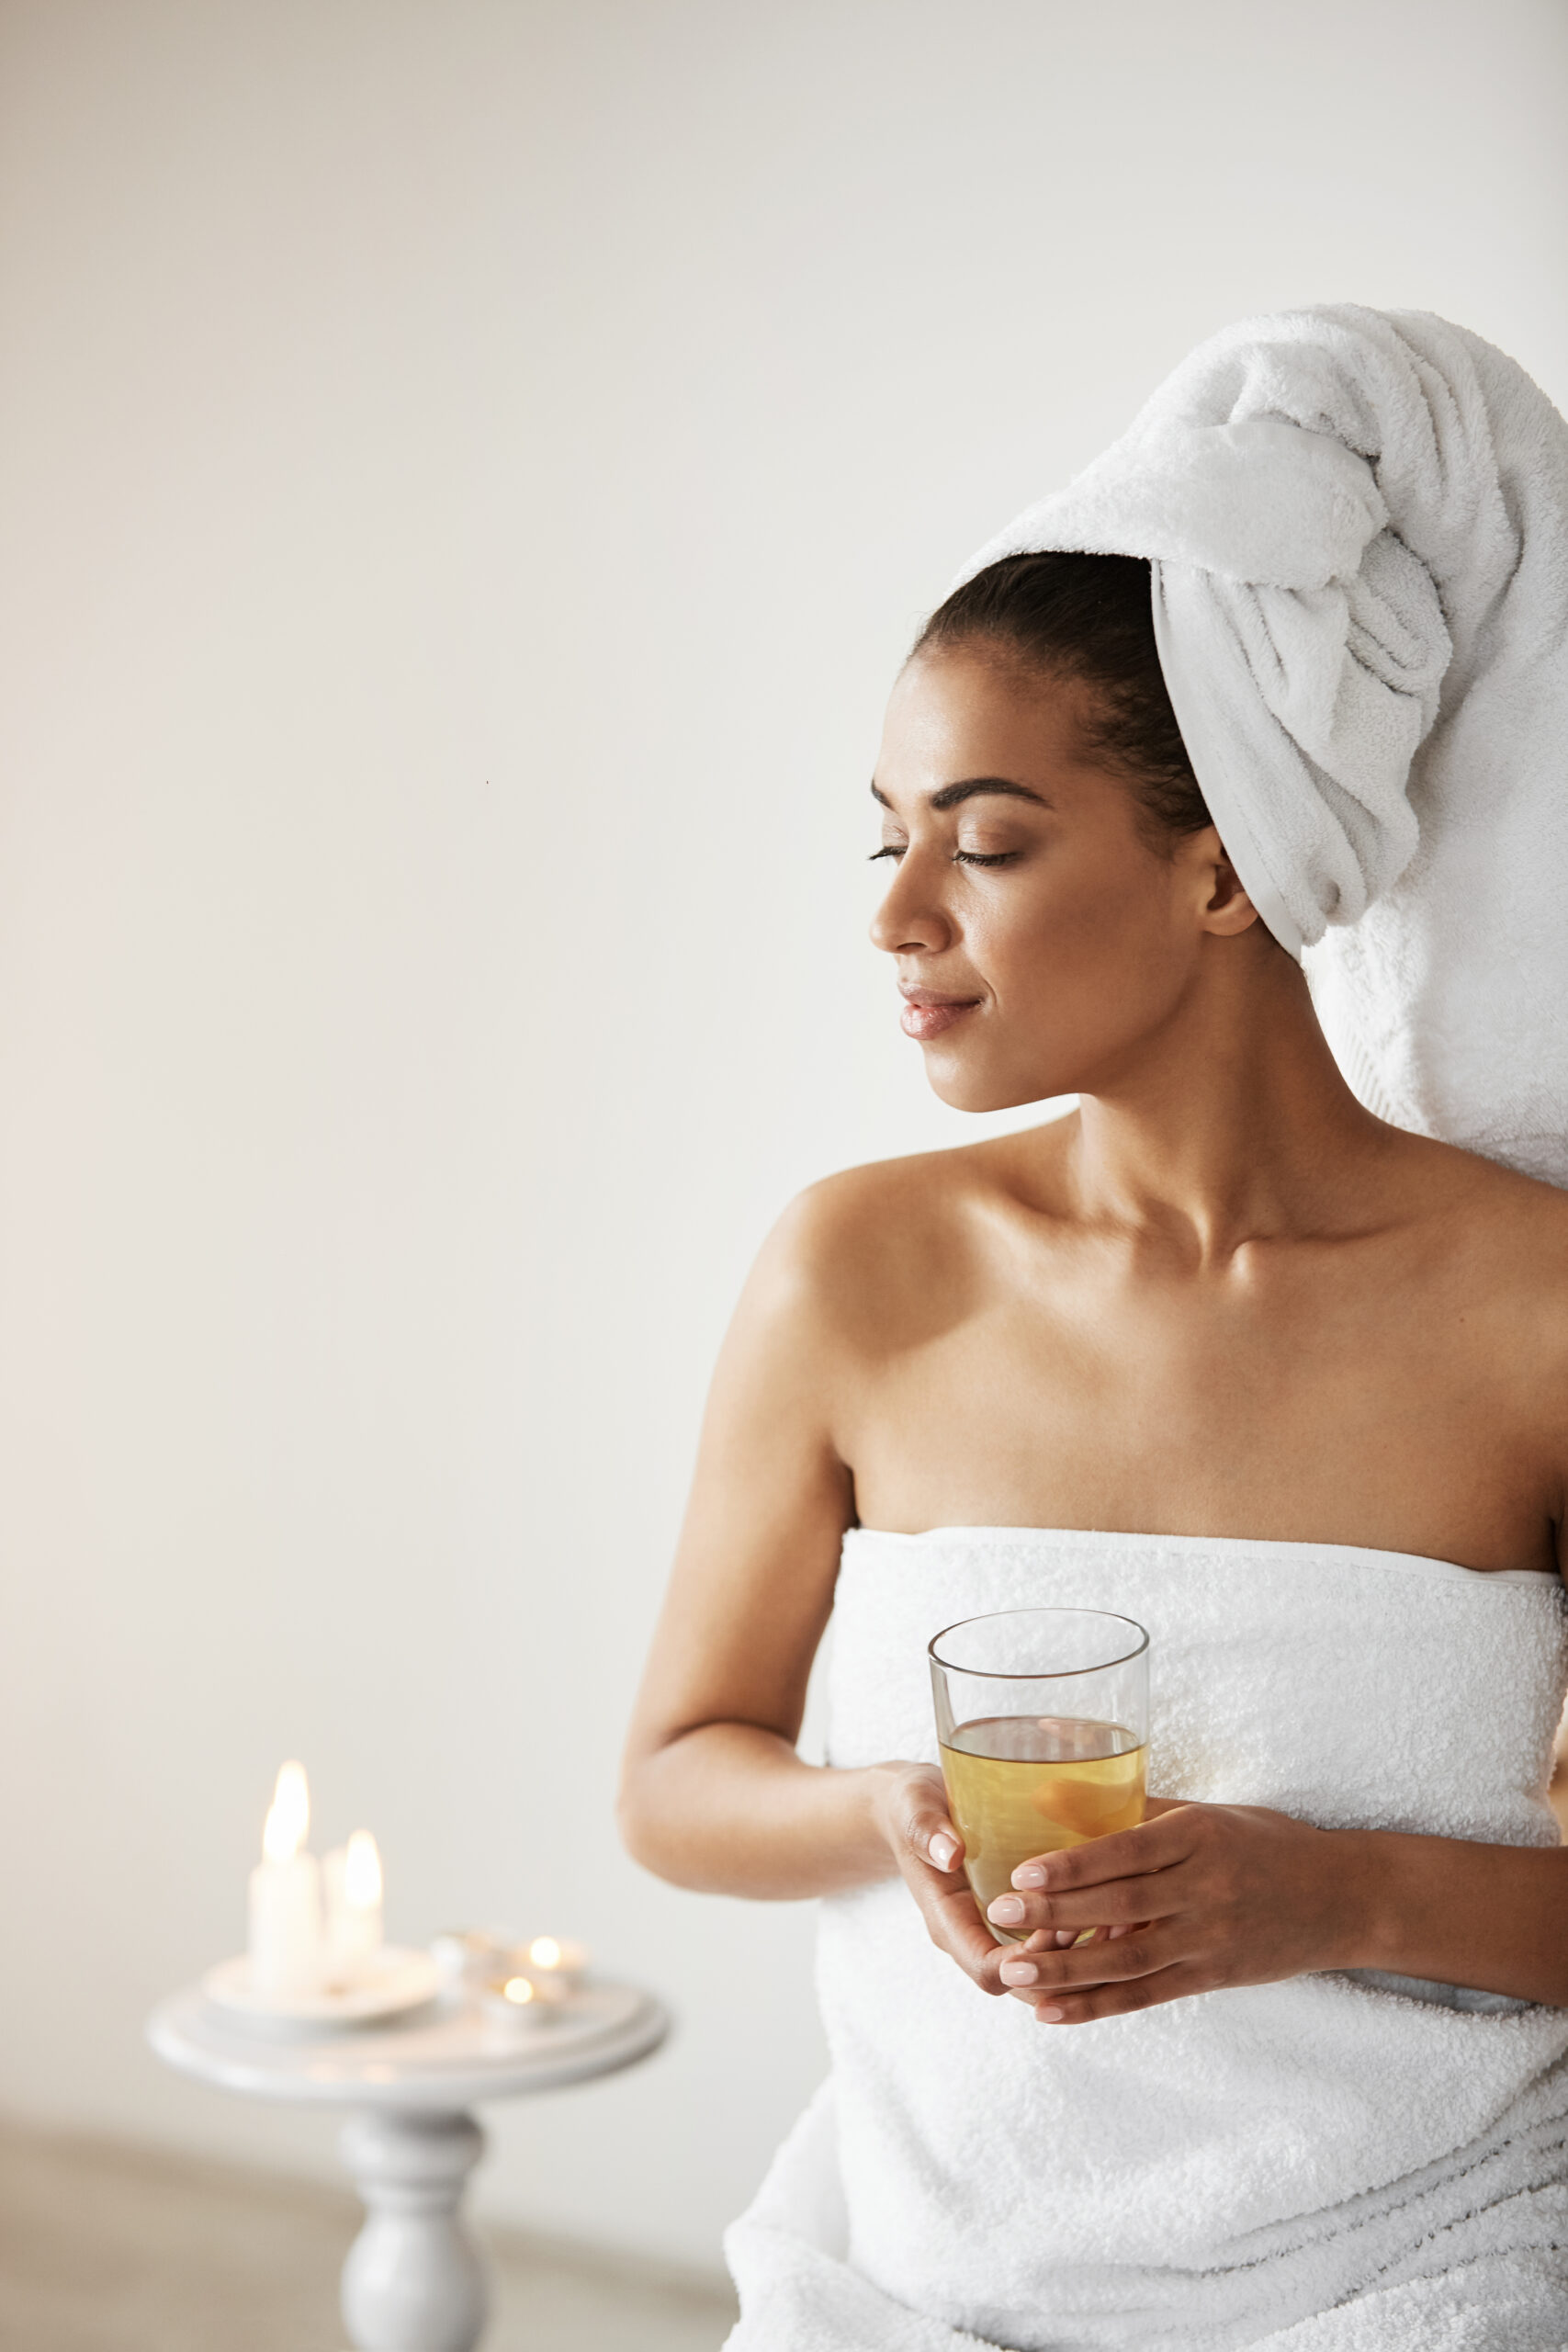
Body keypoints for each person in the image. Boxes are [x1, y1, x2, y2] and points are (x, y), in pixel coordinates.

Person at [618, 308, 1568, 2349]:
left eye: (982, 839)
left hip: (1415, 2276)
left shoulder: (1534, 1312)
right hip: (906, 2278)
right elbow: (677, 1775)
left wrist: (1332, 1891)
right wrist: (872, 1811)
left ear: (1219, 868)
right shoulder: (852, 1273)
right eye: (887, 835)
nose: (894, 911)